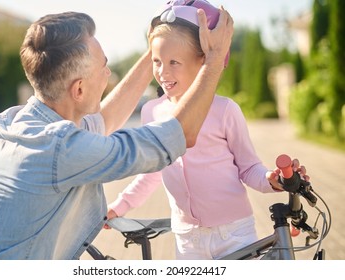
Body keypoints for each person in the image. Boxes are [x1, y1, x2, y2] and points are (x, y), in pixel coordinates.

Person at [0, 7, 234, 260]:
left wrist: (157, 49)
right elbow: (179, 136)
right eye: (103, 67)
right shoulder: (59, 148)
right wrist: (214, 59)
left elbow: (106, 120)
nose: (108, 74)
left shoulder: (11, 121)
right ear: (78, 90)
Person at [106, 0, 308, 260]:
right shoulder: (151, 112)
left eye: (174, 62)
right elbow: (151, 174)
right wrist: (119, 206)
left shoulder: (225, 110)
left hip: (234, 234)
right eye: (156, 61)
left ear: (203, 59)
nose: (162, 72)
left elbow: (248, 168)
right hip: (187, 239)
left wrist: (272, 179)